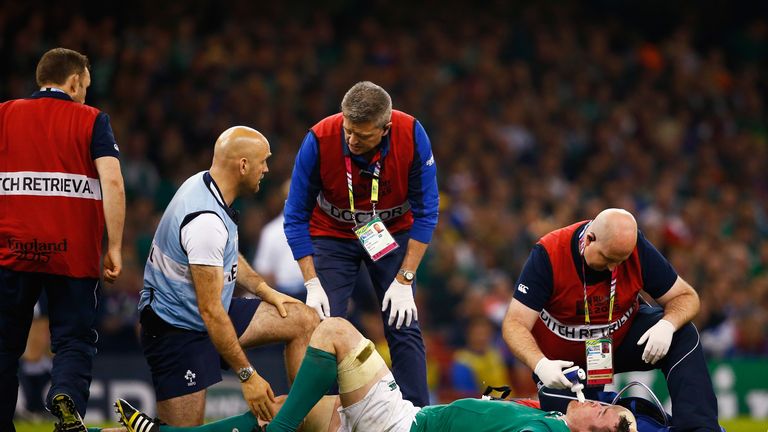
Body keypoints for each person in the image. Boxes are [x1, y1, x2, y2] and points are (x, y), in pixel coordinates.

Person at [113, 316, 636, 432]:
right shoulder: (546, 419)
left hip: (401, 426)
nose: (596, 401)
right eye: (606, 401)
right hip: (407, 419)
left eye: (605, 411)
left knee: (335, 331)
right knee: (304, 412)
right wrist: (504, 403)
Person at [137, 126, 319, 427]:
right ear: (243, 165)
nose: (266, 168)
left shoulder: (206, 186)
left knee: (303, 319)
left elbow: (225, 255)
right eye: (263, 161)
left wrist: (264, 290)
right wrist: (248, 376)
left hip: (205, 315)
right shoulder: (205, 222)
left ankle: (301, 423)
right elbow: (211, 311)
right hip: (178, 332)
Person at [284, 81, 439, 407]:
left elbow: (427, 212)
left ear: (386, 128)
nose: (352, 140)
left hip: (389, 231)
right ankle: (324, 417)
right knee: (323, 325)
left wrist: (405, 278)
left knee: (403, 322)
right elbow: (295, 216)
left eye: (363, 135)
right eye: (348, 130)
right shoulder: (320, 138)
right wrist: (311, 282)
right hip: (331, 234)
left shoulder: (411, 134)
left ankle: (417, 416)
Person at [502, 208, 720, 431]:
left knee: (683, 334)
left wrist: (668, 324)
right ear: (589, 239)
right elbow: (514, 323)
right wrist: (540, 364)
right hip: (562, 364)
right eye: (607, 258)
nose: (613, 267)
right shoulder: (549, 254)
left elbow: (686, 297)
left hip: (618, 341)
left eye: (621, 260)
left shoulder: (636, 249)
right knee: (581, 423)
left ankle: (699, 428)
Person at [0, 47, 125, 432]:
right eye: (85, 86)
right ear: (73, 82)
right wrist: (115, 246)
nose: (86, 94)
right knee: (74, 339)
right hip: (72, 254)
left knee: (4, 345)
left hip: (12, 251)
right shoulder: (92, 120)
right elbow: (114, 182)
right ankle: (66, 397)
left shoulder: (4, 114)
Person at [253, 180, 306, 301]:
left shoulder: (315, 227)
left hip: (310, 291)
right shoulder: (271, 231)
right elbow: (264, 271)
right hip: (283, 292)